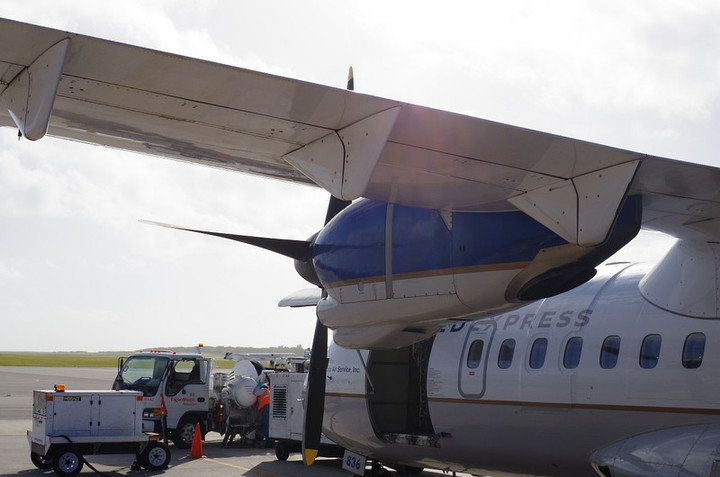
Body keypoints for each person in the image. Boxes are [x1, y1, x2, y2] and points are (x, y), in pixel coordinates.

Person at [253, 379, 271, 447]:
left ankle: (268, 442)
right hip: (269, 408)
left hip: (266, 408)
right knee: (269, 425)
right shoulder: (268, 391)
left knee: (265, 424)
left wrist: (258, 385)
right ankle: (270, 441)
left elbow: (255, 392)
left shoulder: (263, 390)